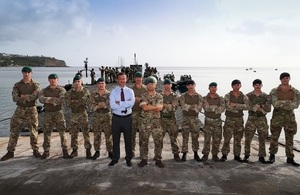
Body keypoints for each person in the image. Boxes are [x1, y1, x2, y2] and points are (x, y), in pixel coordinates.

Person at [1, 66, 41, 161]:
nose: (26, 74)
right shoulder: (17, 85)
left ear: (31, 73)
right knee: (14, 130)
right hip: (20, 109)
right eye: (24, 72)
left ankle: (35, 150)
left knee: (34, 131)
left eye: (28, 72)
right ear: (22, 73)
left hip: (32, 109)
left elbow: (35, 96)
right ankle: (10, 151)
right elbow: (15, 98)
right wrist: (27, 96)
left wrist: (23, 96)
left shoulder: (36, 85)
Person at [268, 72, 300, 166]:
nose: (285, 79)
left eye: (286, 78)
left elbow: (296, 104)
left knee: (290, 138)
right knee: (274, 137)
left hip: (290, 118)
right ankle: (272, 155)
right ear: (280, 79)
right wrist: (288, 103)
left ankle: (290, 158)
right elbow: (275, 103)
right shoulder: (274, 91)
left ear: (289, 79)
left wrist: (282, 103)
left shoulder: (295, 91)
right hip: (277, 117)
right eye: (283, 78)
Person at [38, 73, 72, 159]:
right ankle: (46, 151)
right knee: (46, 133)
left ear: (57, 80)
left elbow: (61, 99)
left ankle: (65, 150)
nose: (53, 80)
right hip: (48, 113)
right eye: (51, 79)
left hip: (58, 113)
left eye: (54, 79)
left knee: (62, 132)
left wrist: (48, 99)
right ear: (48, 80)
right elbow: (41, 99)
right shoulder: (44, 90)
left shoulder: (62, 90)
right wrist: (53, 99)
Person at [108, 72, 135, 167]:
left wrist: (119, 103)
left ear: (126, 79)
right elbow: (112, 105)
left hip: (127, 118)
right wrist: (125, 103)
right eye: (120, 79)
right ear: (117, 80)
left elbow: (131, 103)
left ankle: (128, 159)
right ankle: (115, 158)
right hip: (116, 119)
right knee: (115, 139)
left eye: (123, 79)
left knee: (128, 139)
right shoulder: (113, 92)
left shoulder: (130, 91)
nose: (122, 80)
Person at [138, 76, 164, 168]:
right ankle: (144, 159)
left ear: (155, 85)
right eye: (148, 84)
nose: (150, 85)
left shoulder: (159, 96)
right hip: (145, 122)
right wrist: (155, 107)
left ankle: (158, 159)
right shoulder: (143, 96)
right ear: (146, 85)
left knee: (158, 141)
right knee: (143, 141)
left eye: (152, 83)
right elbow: (144, 108)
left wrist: (149, 106)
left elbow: (160, 108)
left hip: (156, 122)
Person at [243, 79, 271, 163]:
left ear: (261, 85)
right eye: (256, 85)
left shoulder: (266, 96)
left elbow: (268, 109)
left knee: (262, 138)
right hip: (251, 118)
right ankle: (246, 155)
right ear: (253, 86)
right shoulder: (248, 95)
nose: (257, 86)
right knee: (248, 138)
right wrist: (258, 107)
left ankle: (261, 156)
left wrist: (260, 106)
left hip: (262, 119)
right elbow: (247, 106)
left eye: (259, 84)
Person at [220, 79, 249, 162]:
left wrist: (235, 105)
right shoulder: (227, 96)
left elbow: (247, 106)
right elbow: (227, 106)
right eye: (234, 85)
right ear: (232, 86)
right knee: (227, 138)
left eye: (238, 85)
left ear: (240, 86)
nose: (236, 86)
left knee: (238, 138)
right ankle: (224, 154)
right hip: (229, 119)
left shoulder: (244, 96)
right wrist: (239, 107)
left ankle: (237, 155)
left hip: (239, 120)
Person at [65, 75, 92, 159]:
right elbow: (68, 103)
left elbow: (84, 100)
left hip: (83, 114)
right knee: (73, 133)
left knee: (86, 132)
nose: (77, 83)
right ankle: (74, 150)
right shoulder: (70, 92)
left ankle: (88, 149)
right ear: (73, 83)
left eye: (78, 81)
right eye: (75, 82)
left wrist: (74, 101)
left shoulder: (85, 91)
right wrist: (78, 102)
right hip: (74, 114)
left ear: (81, 82)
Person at [179, 80, 203, 162]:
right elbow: (183, 107)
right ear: (186, 86)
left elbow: (199, 109)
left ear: (194, 85)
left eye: (192, 84)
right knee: (185, 136)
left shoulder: (199, 96)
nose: (190, 86)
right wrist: (194, 106)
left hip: (195, 119)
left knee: (195, 137)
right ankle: (184, 153)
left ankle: (196, 153)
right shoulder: (183, 96)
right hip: (185, 118)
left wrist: (189, 106)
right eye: (189, 85)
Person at [201, 82, 225, 162]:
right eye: (211, 87)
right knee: (207, 139)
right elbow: (205, 108)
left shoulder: (221, 98)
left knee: (217, 139)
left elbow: (222, 109)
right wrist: (216, 107)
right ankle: (205, 154)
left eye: (215, 87)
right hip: (208, 121)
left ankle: (215, 155)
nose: (213, 88)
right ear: (209, 88)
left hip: (217, 121)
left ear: (216, 88)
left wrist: (211, 107)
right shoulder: (204, 98)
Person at [90, 77, 112, 160]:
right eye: (99, 83)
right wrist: (103, 104)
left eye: (102, 83)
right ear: (97, 84)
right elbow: (92, 106)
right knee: (96, 135)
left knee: (108, 135)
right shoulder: (93, 94)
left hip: (107, 116)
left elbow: (111, 104)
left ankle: (110, 151)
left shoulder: (109, 94)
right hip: (97, 116)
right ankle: (97, 151)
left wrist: (100, 105)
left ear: (105, 84)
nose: (101, 85)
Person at [161, 78, 181, 162]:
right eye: (165, 84)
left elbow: (173, 107)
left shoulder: (175, 96)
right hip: (161, 120)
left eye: (168, 84)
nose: (167, 86)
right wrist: (168, 105)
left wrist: (164, 105)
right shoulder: (159, 95)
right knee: (159, 139)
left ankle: (176, 154)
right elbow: (158, 106)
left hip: (172, 119)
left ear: (171, 85)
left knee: (174, 138)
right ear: (163, 85)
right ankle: (157, 155)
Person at [130, 71, 147, 157]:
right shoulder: (130, 89)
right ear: (134, 79)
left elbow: (147, 100)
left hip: (142, 113)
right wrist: (136, 99)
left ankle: (142, 152)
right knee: (132, 134)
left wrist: (139, 100)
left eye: (139, 78)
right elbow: (128, 99)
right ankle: (132, 151)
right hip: (132, 113)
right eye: (136, 78)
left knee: (142, 134)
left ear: (142, 78)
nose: (138, 79)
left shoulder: (145, 89)